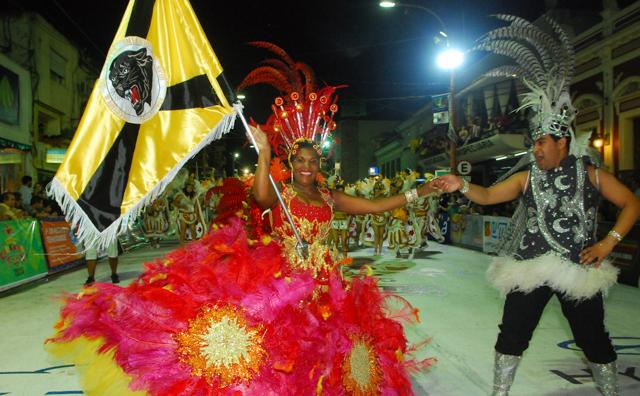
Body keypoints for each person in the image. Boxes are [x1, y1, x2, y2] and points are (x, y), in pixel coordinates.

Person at [47, 43, 435, 395]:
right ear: (292, 161)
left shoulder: (330, 197)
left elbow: (377, 206)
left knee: (328, 359)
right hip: (284, 284)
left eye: (311, 160)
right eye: (298, 160)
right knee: (283, 356)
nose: (305, 166)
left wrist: (420, 191)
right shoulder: (282, 195)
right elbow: (261, 196)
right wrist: (264, 153)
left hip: (326, 284)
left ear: (320, 163)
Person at [434, 15, 640, 396]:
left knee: (592, 335)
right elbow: (489, 196)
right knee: (512, 332)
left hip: (578, 266)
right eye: (534, 143)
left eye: (542, 142)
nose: (536, 148)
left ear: (562, 142)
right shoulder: (526, 174)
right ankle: (500, 392)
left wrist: (609, 243)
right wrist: (461, 183)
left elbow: (631, 204)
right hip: (530, 267)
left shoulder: (591, 173)